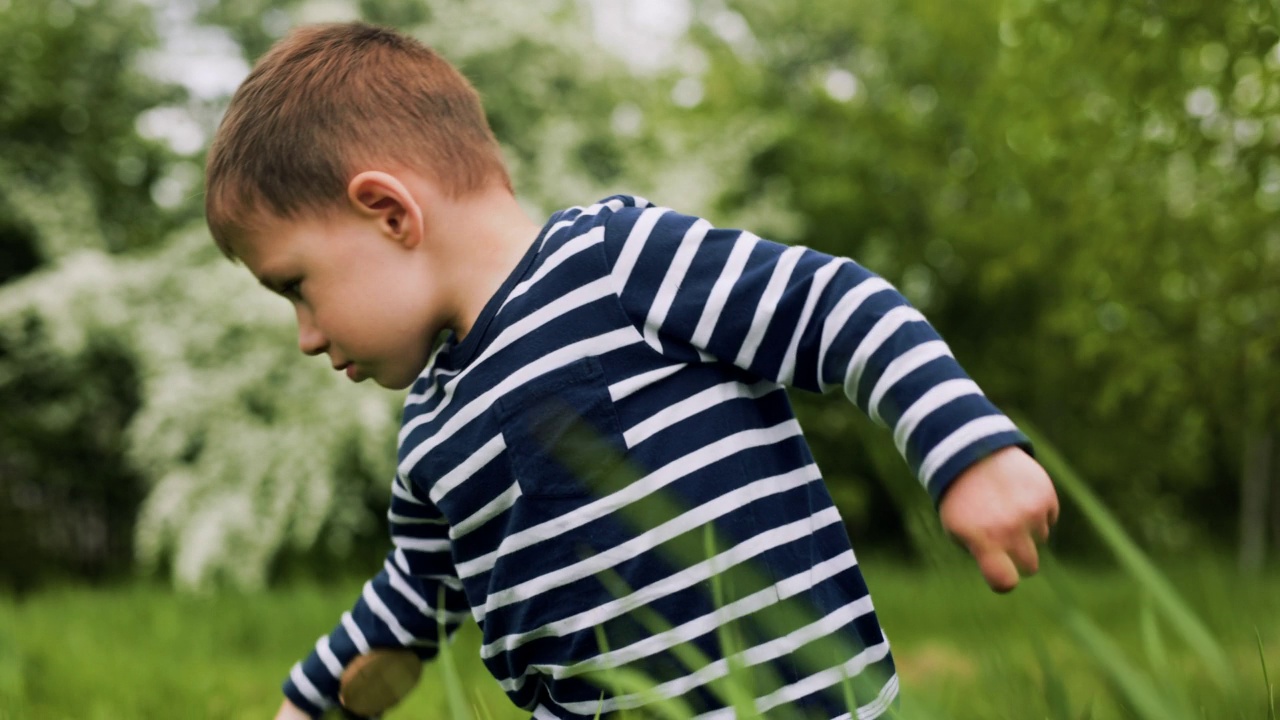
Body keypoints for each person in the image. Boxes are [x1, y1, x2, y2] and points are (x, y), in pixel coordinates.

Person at [204, 21, 1059, 720]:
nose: (307, 336)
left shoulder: (614, 264)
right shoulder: (430, 429)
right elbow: (417, 589)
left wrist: (965, 448)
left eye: (298, 288)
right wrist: (309, 701)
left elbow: (832, 306)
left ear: (389, 212)